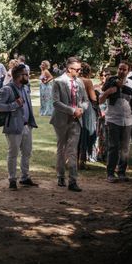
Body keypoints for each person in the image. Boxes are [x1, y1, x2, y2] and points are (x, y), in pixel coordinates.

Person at [0, 64, 38, 190]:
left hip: (26, 126)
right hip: (13, 126)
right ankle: (12, 180)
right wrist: (13, 105)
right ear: (18, 76)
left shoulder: (25, 88)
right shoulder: (7, 89)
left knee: (27, 152)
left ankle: (25, 177)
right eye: (25, 74)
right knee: (13, 153)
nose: (28, 76)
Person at [50, 57, 88, 192]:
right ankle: (60, 176)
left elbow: (85, 100)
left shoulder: (80, 82)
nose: (79, 72)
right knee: (61, 148)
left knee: (72, 150)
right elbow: (55, 102)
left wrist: (82, 109)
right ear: (69, 69)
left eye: (80, 69)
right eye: (77, 70)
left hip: (76, 121)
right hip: (61, 120)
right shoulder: (58, 82)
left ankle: (73, 180)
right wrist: (72, 110)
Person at [100, 62, 132, 183]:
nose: (121, 71)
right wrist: (109, 92)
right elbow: (100, 100)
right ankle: (110, 173)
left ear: (128, 71)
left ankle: (122, 172)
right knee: (113, 146)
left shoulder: (131, 83)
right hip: (113, 118)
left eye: (124, 69)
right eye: (120, 69)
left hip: (127, 119)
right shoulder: (111, 81)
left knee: (125, 148)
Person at [77, 63, 98, 170]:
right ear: (88, 72)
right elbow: (93, 98)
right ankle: (82, 161)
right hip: (86, 109)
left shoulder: (75, 80)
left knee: (77, 134)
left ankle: (74, 160)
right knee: (85, 133)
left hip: (76, 107)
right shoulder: (87, 81)